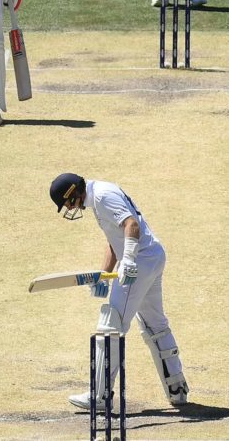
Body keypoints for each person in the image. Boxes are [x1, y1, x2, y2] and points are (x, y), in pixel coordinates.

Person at [49, 173, 193, 409]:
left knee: (111, 324)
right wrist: (103, 275)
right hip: (151, 257)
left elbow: (131, 225)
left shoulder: (103, 196)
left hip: (140, 262)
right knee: (155, 326)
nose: (68, 208)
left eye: (66, 203)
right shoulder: (98, 197)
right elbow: (114, 241)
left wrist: (128, 261)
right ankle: (177, 389)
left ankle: (99, 396)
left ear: (72, 193)